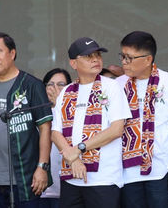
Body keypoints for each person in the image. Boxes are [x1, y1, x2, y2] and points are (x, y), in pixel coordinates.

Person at [0, 32, 52, 207]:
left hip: (24, 177)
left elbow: (45, 128)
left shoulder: (32, 85)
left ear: (12, 53)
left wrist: (42, 167)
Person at [51, 37, 130, 208]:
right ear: (73, 63)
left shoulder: (111, 87)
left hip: (103, 179)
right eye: (88, 56)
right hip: (71, 177)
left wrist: (78, 149)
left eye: (97, 55)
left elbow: (116, 129)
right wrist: (73, 159)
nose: (95, 59)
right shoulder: (66, 92)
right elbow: (55, 133)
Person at [113, 31, 168, 208]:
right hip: (127, 172)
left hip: (161, 170)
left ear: (147, 59)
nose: (124, 62)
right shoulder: (118, 84)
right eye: (122, 56)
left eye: (129, 57)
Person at [40, 68, 72, 207]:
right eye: (50, 84)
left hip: (65, 186)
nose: (55, 89)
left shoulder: (74, 111)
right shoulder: (37, 113)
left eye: (61, 85)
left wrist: (59, 104)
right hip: (40, 187)